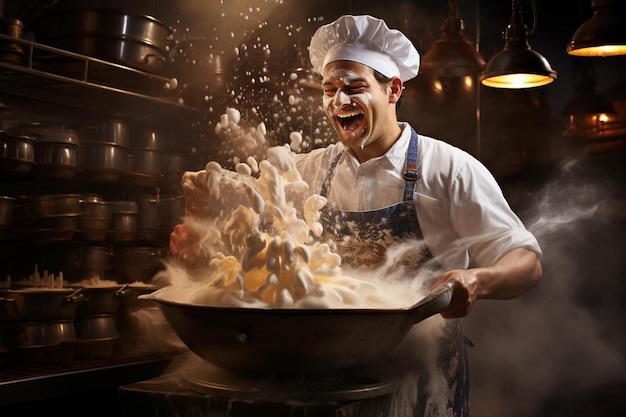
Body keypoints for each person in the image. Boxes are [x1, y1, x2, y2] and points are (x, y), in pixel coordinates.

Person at [170, 14, 542, 417]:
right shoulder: (305, 171)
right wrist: (201, 220)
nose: (338, 102)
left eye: (354, 87)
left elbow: (526, 263)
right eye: (329, 90)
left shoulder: (450, 168)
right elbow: (246, 245)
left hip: (424, 379)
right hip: (330, 379)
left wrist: (476, 279)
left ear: (393, 89)